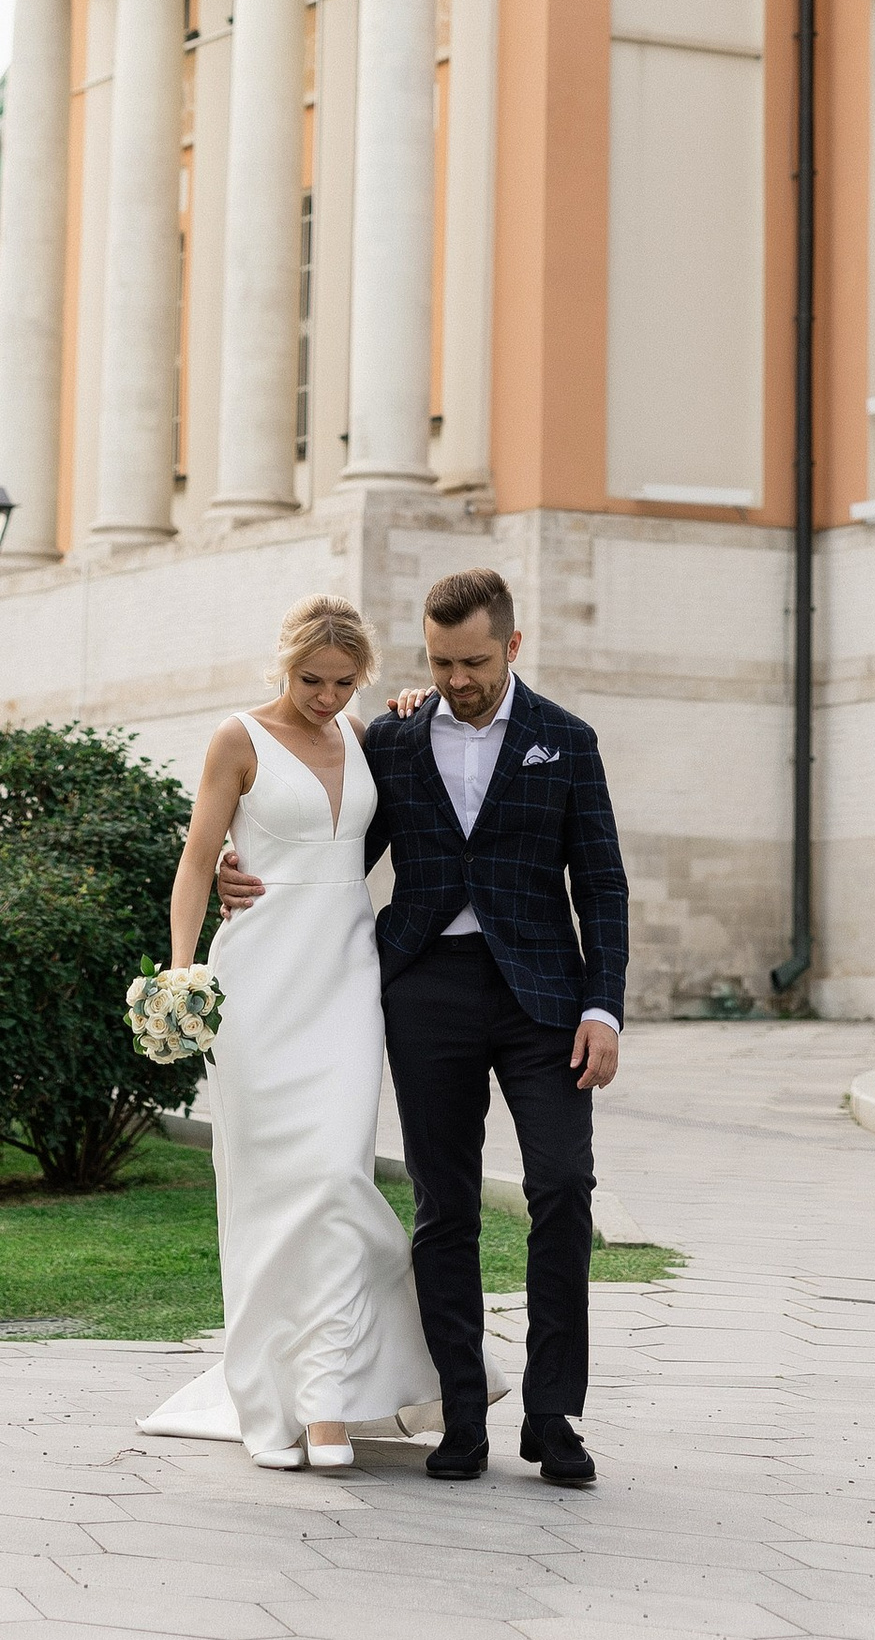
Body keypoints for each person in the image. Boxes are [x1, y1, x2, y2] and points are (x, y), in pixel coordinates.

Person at [219, 563, 630, 1488]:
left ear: (513, 646)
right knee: (444, 1207)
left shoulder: (567, 741)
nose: (457, 679)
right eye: (442, 662)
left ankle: (554, 1416)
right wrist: (224, 871)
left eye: (475, 661)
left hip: (546, 1006)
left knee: (562, 1188)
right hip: (425, 992)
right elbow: (319, 842)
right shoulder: (393, 740)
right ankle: (459, 1414)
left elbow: (600, 885)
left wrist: (603, 1007)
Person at [141, 595, 440, 1474]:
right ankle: (294, 1399)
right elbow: (200, 857)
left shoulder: (370, 735)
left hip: (348, 978)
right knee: (274, 1191)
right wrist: (182, 971)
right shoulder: (238, 737)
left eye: (345, 682)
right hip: (261, 980)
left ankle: (330, 1400)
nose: (325, 695)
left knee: (339, 1175)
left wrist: (415, 707)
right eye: (312, 679)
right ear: (285, 664)